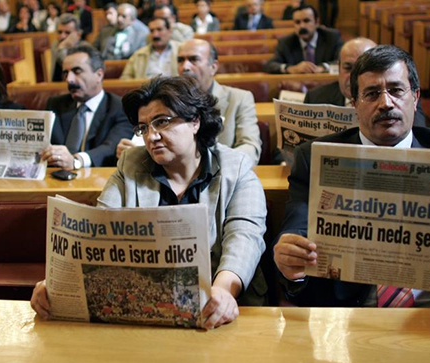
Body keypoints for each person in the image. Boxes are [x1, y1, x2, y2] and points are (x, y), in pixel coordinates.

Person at [31, 75, 268, 329]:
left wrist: (222, 291)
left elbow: (244, 238)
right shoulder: (131, 164)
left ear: (195, 122)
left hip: (223, 305)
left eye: (162, 122)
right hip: (147, 306)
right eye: (143, 127)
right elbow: (99, 229)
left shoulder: (237, 168)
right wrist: (58, 284)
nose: (151, 137)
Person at [274, 45, 430, 307]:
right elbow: (298, 225)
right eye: (372, 94)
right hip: (354, 310)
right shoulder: (314, 156)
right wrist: (292, 257)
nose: (386, 103)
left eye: (396, 90)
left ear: (415, 97)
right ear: (355, 105)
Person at [117, 39, 261, 164]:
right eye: (180, 60)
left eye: (194, 59)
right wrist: (135, 153)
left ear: (213, 67)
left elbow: (250, 147)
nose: (185, 67)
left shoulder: (239, 98)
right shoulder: (165, 101)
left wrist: (207, 165)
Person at [42, 45, 133, 170]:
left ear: (99, 75)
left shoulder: (120, 107)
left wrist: (76, 161)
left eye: (77, 71)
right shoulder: (55, 104)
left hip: (98, 180)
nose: (69, 79)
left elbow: (112, 147)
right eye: (65, 73)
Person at [304, 37, 427, 126]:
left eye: (364, 69)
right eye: (348, 68)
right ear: (339, 68)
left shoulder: (403, 97)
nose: (355, 76)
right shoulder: (315, 98)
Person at [264, 4, 342, 74]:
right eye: (297, 22)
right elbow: (270, 65)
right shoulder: (286, 42)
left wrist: (323, 68)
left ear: (317, 22)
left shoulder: (332, 37)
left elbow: (342, 61)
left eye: (306, 21)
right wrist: (291, 68)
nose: (302, 26)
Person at [50, 13, 88, 82]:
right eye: (59, 32)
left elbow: (69, 66)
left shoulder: (84, 48)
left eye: (67, 32)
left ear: (78, 35)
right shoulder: (55, 45)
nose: (62, 36)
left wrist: (62, 48)